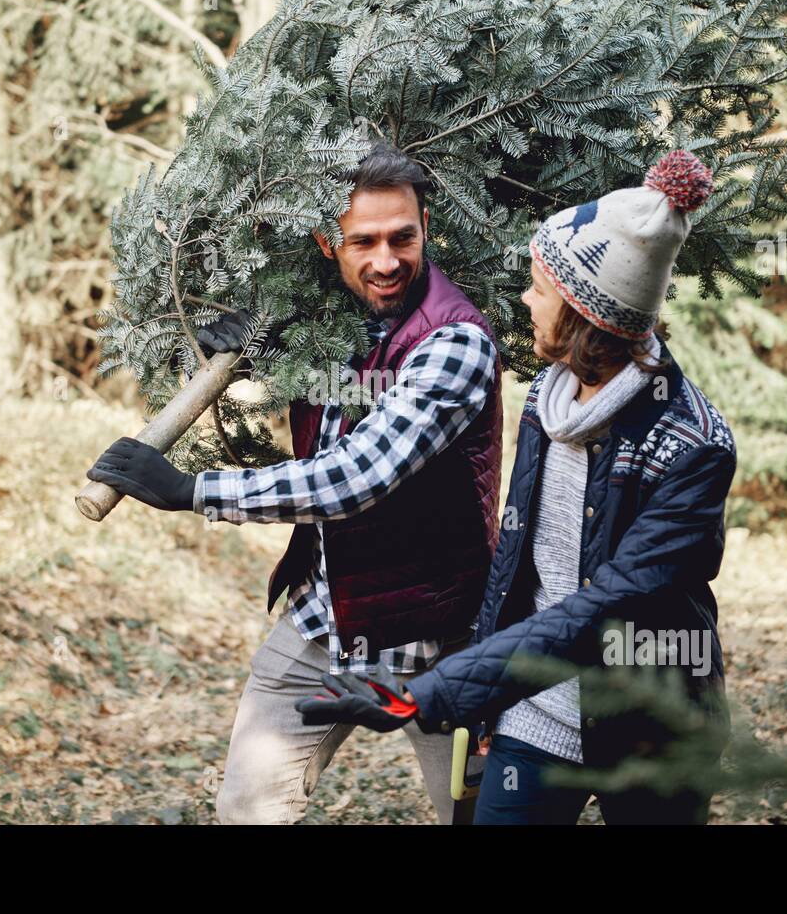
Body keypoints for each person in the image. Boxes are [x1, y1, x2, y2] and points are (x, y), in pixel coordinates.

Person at [297, 150, 737, 824]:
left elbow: (603, 611)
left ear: (588, 311)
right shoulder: (546, 396)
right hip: (535, 714)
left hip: (652, 727)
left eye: (540, 288)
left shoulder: (694, 445)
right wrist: (482, 697)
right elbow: (518, 556)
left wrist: (434, 692)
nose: (527, 299)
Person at [86, 142, 501, 824]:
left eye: (403, 236)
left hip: (440, 633)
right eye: (362, 241)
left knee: (479, 816)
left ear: (427, 225)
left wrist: (194, 491)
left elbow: (357, 475)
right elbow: (325, 375)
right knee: (248, 807)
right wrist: (245, 346)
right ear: (325, 241)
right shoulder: (329, 315)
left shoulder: (455, 341)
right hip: (324, 619)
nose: (386, 260)